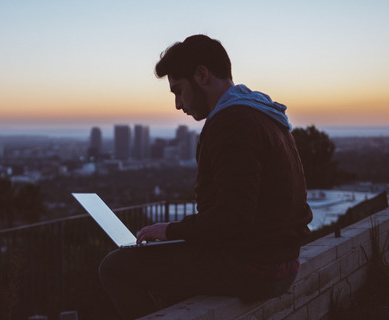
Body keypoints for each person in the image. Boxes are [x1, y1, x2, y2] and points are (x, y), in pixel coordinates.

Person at [98, 34, 313, 320]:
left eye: (178, 90)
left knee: (115, 266)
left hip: (255, 268)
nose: (177, 104)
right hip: (282, 263)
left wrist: (171, 231)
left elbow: (233, 217)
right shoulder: (264, 114)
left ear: (201, 75)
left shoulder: (232, 122)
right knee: (171, 274)